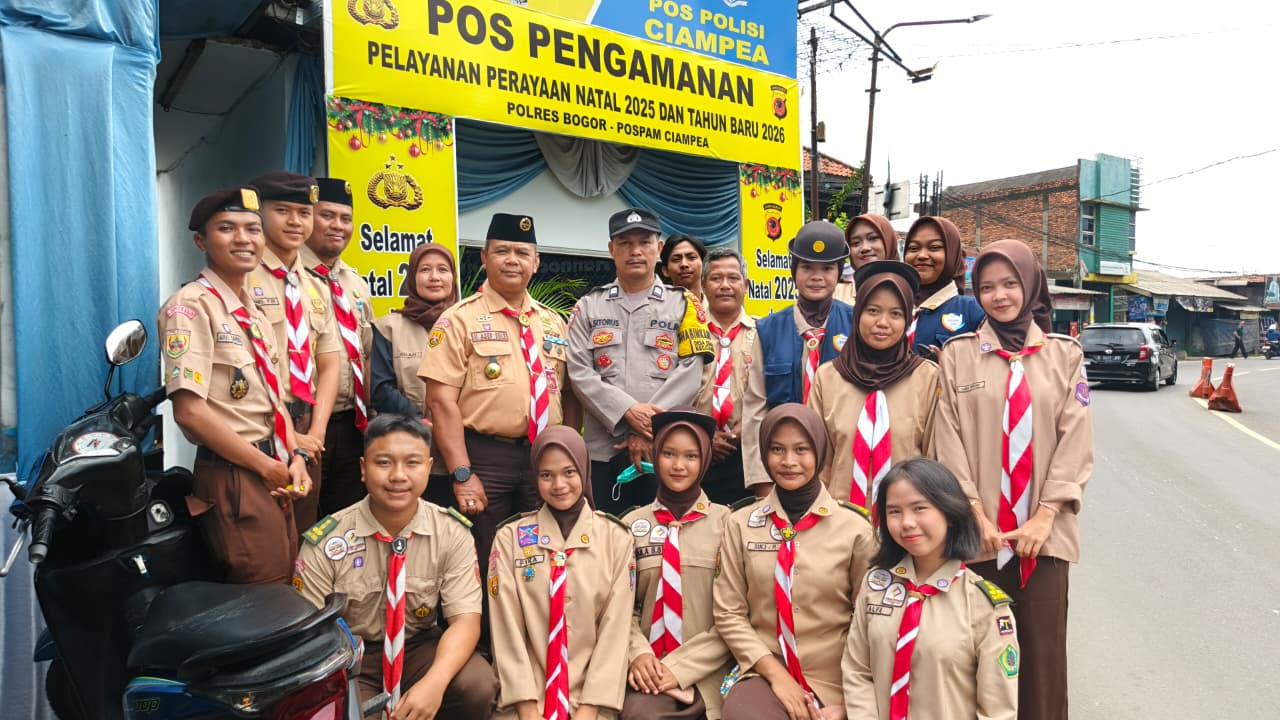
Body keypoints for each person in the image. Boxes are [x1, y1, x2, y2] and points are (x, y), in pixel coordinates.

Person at [933, 239, 1092, 720]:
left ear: (1030, 284)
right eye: (985, 287)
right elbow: (948, 440)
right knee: (976, 663)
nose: (999, 295)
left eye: (1009, 283)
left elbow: (1076, 439)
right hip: (978, 539)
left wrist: (1045, 517)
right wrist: (975, 515)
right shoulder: (957, 355)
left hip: (1044, 543)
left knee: (1042, 664)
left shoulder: (1065, 356)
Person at [293, 414, 497, 718]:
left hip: (418, 649)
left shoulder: (450, 532)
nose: (398, 476)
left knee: (477, 685)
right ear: (363, 469)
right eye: (384, 463)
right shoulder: (328, 539)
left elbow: (465, 620)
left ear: (428, 469)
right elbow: (307, 635)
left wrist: (434, 684)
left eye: (412, 463)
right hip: (350, 656)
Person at [159, 187, 309, 584]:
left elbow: (274, 400)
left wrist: (296, 458)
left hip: (273, 468)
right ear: (200, 241)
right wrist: (267, 467)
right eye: (227, 228)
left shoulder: (253, 312)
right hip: (236, 474)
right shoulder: (190, 307)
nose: (244, 239)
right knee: (262, 592)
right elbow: (189, 411)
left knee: (284, 581)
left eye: (253, 229)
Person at [421, 213, 579, 573]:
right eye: (502, 251)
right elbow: (441, 402)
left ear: (536, 262)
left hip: (545, 457)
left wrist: (567, 449)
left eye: (522, 253)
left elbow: (570, 394)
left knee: (545, 554)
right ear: (484, 257)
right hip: (484, 459)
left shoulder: (553, 322)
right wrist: (462, 473)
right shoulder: (458, 320)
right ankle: (488, 631)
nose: (512, 260)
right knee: (485, 558)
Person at [714, 404, 876, 720]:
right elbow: (728, 612)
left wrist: (851, 702)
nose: (789, 462)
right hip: (765, 668)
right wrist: (776, 676)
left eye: (801, 449)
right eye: (777, 449)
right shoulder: (740, 523)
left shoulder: (855, 529)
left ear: (819, 451)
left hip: (839, 675)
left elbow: (871, 620)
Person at [842, 458, 1018, 720]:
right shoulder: (875, 586)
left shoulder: (984, 605)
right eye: (894, 511)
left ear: (949, 513)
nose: (907, 523)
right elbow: (857, 670)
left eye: (920, 508)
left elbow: (998, 710)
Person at [567, 208, 713, 514]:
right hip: (602, 452)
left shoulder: (684, 304)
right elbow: (579, 372)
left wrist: (647, 428)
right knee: (606, 539)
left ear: (659, 249)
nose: (635, 251)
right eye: (625, 243)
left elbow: (691, 371)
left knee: (663, 540)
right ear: (611, 250)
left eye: (645, 242)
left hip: (664, 449)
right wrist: (627, 413)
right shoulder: (588, 306)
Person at [489, 426, 634, 720]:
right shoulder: (510, 538)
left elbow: (615, 629)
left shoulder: (616, 538)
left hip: (591, 697)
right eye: (546, 475)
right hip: (525, 699)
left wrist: (589, 709)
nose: (559, 484)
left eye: (569, 472)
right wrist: (528, 709)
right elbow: (506, 629)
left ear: (584, 469)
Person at [621, 407, 733, 720]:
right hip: (646, 672)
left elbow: (736, 614)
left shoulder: (729, 524)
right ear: (655, 456)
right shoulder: (629, 526)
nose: (679, 466)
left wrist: (678, 668)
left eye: (691, 456)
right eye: (669, 453)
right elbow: (619, 608)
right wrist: (639, 654)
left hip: (709, 671)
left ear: (705, 460)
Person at [247, 171, 342, 532]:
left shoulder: (315, 286)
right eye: (282, 210)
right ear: (260, 215)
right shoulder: (243, 278)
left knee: (301, 538)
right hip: (260, 428)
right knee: (262, 538)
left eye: (304, 213)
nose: (294, 221)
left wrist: (315, 433)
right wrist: (290, 435)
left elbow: (330, 363)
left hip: (309, 428)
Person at [808, 261, 939, 510]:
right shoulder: (828, 378)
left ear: (908, 321)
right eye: (873, 311)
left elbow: (934, 458)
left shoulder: (927, 378)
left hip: (906, 522)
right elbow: (818, 461)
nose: (882, 322)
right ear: (857, 314)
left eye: (896, 314)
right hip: (837, 521)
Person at [741, 221, 853, 495]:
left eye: (827, 268)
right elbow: (755, 407)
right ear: (793, 271)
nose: (817, 277)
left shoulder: (857, 323)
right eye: (807, 268)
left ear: (839, 272)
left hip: (838, 462)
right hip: (784, 463)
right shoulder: (768, 329)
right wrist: (761, 478)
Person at [300, 177, 375, 515]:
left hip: (352, 424)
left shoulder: (356, 284)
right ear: (306, 218)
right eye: (327, 216)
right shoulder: (284, 278)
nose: (338, 226)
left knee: (346, 523)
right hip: (302, 424)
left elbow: (367, 353)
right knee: (301, 519)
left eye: (346, 219)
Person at [371, 243, 460, 498]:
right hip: (406, 447)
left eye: (443, 269)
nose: (434, 277)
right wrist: (422, 423)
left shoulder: (467, 323)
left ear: (453, 278)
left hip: (462, 450)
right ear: (411, 277)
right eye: (425, 270)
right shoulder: (388, 327)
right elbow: (381, 388)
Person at [693, 248, 756, 506]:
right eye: (716, 279)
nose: (725, 286)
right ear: (703, 286)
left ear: (746, 285)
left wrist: (747, 426)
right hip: (695, 448)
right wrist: (706, 434)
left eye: (733, 278)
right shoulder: (687, 331)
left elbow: (768, 394)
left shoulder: (763, 332)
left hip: (746, 450)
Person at [902, 216, 985, 358]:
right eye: (913, 248)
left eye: (934, 248)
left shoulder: (975, 311)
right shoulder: (894, 305)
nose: (921, 255)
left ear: (953, 254)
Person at [833, 213, 898, 306]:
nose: (865, 248)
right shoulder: (835, 295)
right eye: (856, 243)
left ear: (889, 241)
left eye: (873, 238)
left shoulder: (910, 293)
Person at [660, 234, 708, 302]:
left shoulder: (717, 308)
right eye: (676, 259)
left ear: (704, 265)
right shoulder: (656, 310)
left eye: (691, 257)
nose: (684, 264)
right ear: (666, 270)